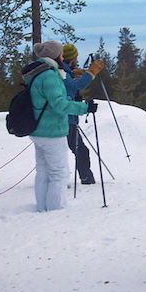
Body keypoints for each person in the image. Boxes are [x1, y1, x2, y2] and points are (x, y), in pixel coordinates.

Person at [22, 40, 95, 212]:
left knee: (44, 171)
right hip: (52, 130)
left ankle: (43, 206)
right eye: (61, 54)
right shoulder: (49, 76)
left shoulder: (37, 72)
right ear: (57, 56)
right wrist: (85, 107)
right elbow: (59, 104)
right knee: (58, 173)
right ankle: (56, 211)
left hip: (38, 129)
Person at [61, 43, 105, 185]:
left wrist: (76, 73)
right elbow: (75, 86)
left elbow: (70, 82)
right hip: (66, 119)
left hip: (65, 118)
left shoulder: (62, 70)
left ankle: (58, 179)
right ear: (72, 58)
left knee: (66, 150)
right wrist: (91, 73)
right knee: (80, 151)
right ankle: (86, 178)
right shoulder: (63, 72)